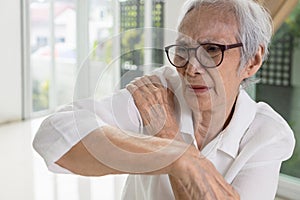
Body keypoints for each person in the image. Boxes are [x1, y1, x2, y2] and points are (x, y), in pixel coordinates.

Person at [33, 0, 295, 199]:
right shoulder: (160, 90)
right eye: (183, 49)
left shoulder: (269, 135)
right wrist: (176, 157)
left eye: (212, 49)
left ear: (253, 60)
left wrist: (169, 137)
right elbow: (54, 135)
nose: (191, 68)